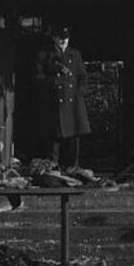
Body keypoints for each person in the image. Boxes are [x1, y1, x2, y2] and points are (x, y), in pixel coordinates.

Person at [34, 26, 90, 168]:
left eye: (66, 37)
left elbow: (82, 76)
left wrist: (80, 92)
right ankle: (53, 168)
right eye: (60, 37)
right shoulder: (44, 55)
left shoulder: (75, 55)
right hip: (54, 102)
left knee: (73, 138)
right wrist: (55, 81)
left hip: (73, 103)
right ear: (54, 38)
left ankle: (73, 168)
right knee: (54, 138)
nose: (63, 40)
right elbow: (38, 78)